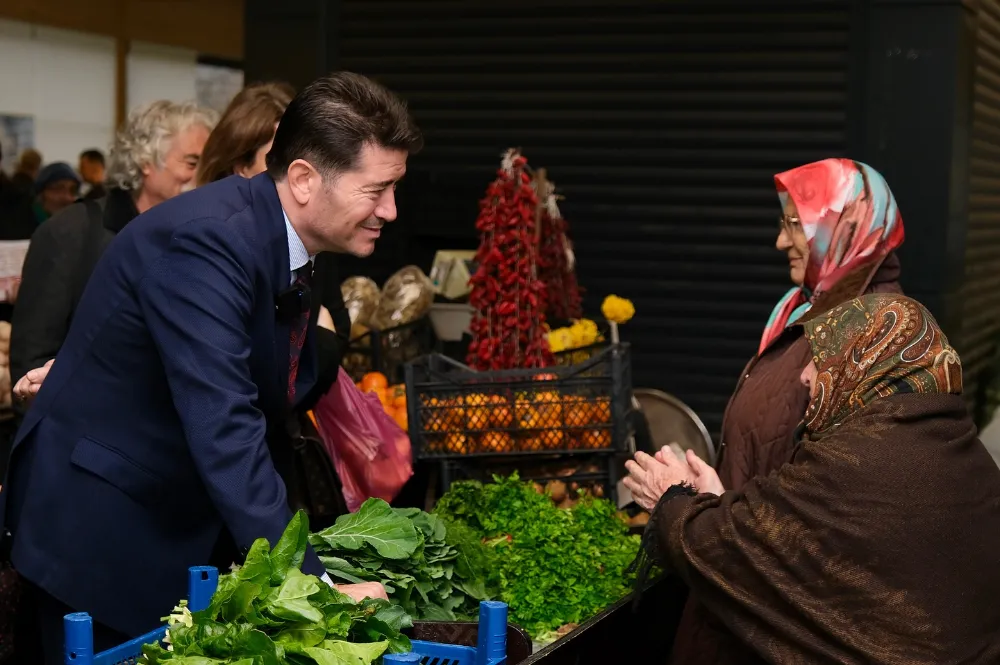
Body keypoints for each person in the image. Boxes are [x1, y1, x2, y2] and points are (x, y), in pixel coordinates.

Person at [1, 71, 421, 662]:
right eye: (375, 190)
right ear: (302, 180)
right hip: (104, 535)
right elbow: (226, 426)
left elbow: (268, 386)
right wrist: (317, 589)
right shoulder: (208, 241)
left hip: (170, 519)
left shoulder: (286, 236)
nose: (391, 210)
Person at [625, 293, 1000, 664]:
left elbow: (735, 551)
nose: (805, 376)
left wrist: (671, 497)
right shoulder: (968, 457)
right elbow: (802, 557)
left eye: (821, 357)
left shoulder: (858, 459)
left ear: (865, 361)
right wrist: (717, 499)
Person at [670, 158, 906, 663]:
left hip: (774, 617)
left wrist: (713, 510)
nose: (781, 242)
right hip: (739, 582)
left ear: (845, 225)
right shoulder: (802, 312)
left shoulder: (865, 338)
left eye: (795, 224)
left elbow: (834, 510)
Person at [194, 80, 352, 522]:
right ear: (237, 163)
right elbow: (229, 386)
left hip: (272, 461)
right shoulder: (205, 240)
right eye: (274, 159)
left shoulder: (310, 244)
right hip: (206, 475)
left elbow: (332, 341)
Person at [9, 100, 217, 402]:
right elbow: (31, 361)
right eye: (191, 162)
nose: (201, 178)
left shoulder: (197, 236)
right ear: (146, 161)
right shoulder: (71, 232)